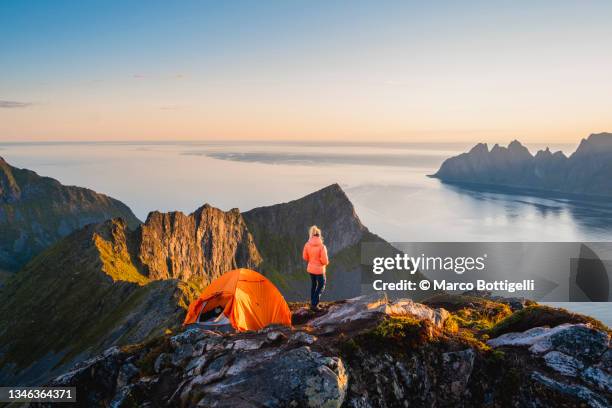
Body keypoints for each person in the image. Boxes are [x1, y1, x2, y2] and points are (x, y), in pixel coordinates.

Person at [302, 225, 329, 310]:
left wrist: (312, 259)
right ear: (319, 235)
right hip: (319, 270)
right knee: (321, 285)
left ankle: (312, 303)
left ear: (311, 234)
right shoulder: (322, 246)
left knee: (314, 285)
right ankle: (314, 304)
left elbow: (305, 257)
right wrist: (325, 263)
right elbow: (324, 261)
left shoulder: (307, 244)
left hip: (311, 269)